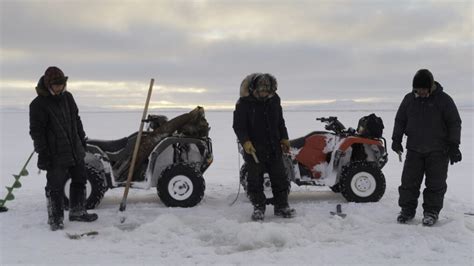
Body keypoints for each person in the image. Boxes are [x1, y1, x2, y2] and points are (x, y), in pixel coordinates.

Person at [29, 66, 98, 231]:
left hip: (74, 148)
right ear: (48, 84)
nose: (60, 87)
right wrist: (43, 153)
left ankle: (77, 211)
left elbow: (76, 119)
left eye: (62, 84)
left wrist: (81, 139)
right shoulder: (38, 104)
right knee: (55, 187)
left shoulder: (68, 97)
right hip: (55, 153)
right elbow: (36, 132)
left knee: (80, 180)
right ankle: (55, 219)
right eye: (56, 85)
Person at [392, 69, 462, 226]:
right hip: (414, 149)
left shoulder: (444, 100)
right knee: (409, 182)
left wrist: (454, 145)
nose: (421, 92)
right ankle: (407, 210)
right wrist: (396, 140)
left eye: (424, 89)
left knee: (435, 184)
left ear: (430, 86)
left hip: (438, 151)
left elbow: (454, 123)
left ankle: (431, 212)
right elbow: (400, 120)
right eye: (418, 89)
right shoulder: (409, 99)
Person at [233, 73, 295, 221]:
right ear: (254, 88)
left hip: (273, 146)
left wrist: (284, 138)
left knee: (280, 178)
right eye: (261, 91)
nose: (264, 94)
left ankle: (281, 206)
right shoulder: (243, 103)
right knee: (255, 180)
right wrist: (245, 141)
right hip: (254, 149)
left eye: (267, 92)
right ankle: (258, 207)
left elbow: (280, 121)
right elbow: (238, 126)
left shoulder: (274, 100)